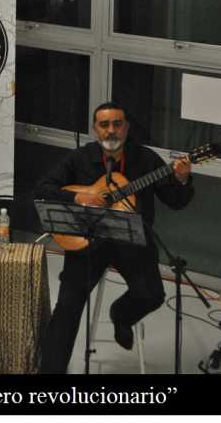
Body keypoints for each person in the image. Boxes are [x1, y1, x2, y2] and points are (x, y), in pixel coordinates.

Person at [34, 101, 194, 373]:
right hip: (87, 243)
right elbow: (43, 188)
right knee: (68, 308)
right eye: (104, 124)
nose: (111, 130)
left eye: (117, 124)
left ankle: (120, 314)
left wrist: (181, 179)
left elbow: (175, 201)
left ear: (127, 128)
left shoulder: (146, 160)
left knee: (152, 295)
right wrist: (78, 197)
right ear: (95, 129)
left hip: (133, 243)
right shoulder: (80, 158)